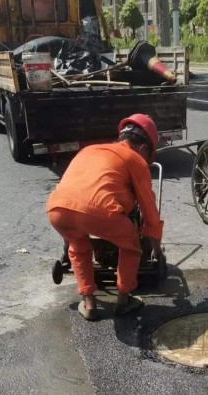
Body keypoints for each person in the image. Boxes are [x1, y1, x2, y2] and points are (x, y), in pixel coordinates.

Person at [46, 114, 163, 321]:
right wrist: (155, 250)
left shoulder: (88, 150)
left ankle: (90, 304)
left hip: (56, 208)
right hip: (99, 211)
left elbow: (75, 192)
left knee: (78, 247)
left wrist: (66, 246)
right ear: (144, 149)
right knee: (130, 245)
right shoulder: (135, 158)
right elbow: (149, 212)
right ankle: (123, 300)